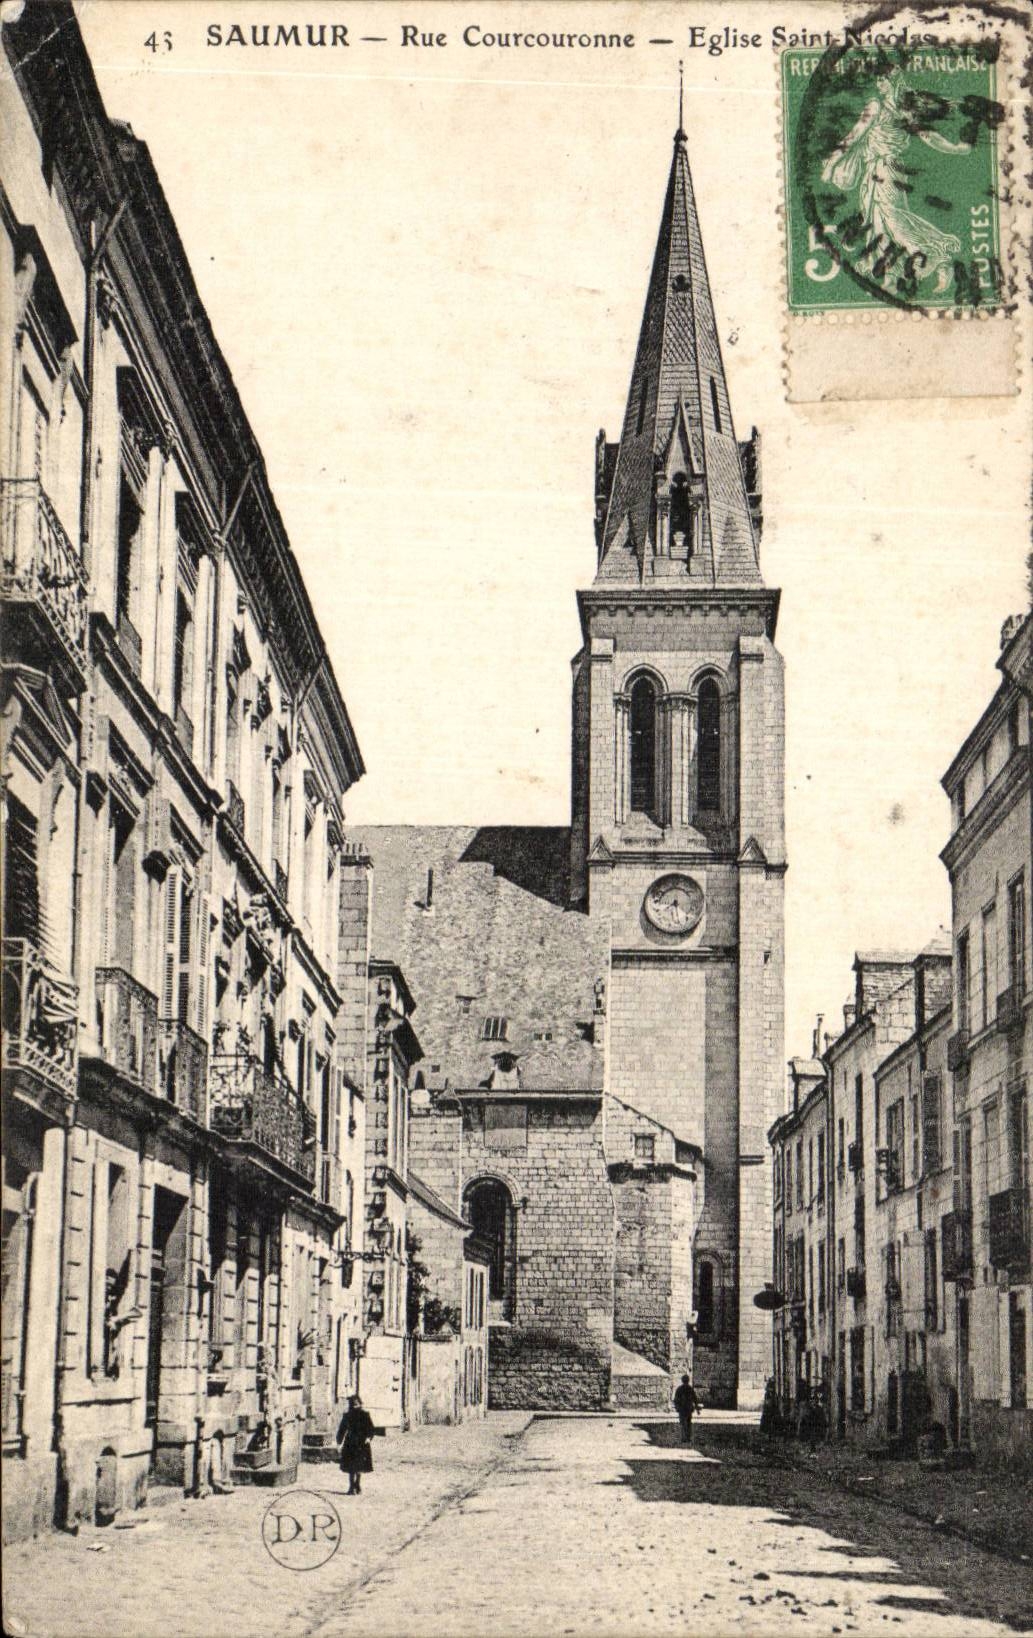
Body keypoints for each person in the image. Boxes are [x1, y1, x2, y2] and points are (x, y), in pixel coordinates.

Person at [337, 1394, 376, 1495]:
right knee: (351, 1467)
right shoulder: (347, 1415)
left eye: (357, 1404)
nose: (355, 1406)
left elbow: (371, 1428)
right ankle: (351, 1486)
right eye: (353, 1404)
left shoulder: (365, 1415)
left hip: (362, 1443)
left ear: (360, 1404)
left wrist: (369, 1437)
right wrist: (339, 1442)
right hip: (350, 1443)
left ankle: (357, 1484)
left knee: (359, 1466)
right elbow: (342, 1429)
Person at [673, 1374, 702, 1445]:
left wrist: (677, 1407)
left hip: (682, 1409)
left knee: (683, 1423)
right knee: (688, 1423)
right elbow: (695, 1399)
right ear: (688, 1380)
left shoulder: (679, 1389)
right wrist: (697, 1408)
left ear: (682, 1380)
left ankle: (684, 1438)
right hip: (689, 1409)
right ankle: (688, 1437)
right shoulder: (690, 1388)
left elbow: (676, 1399)